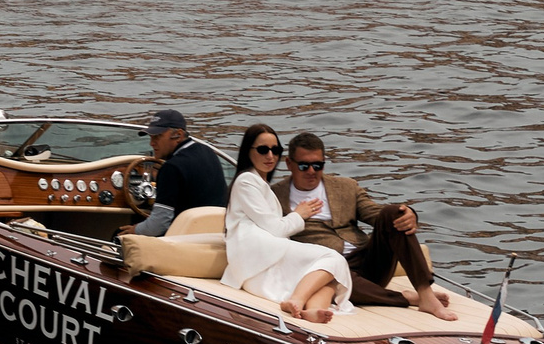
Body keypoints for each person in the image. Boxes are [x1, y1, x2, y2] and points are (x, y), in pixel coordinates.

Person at [275, 132, 453, 319]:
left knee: (394, 213)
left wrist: (409, 214)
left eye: (318, 165)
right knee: (336, 276)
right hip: (323, 267)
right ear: (289, 164)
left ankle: (425, 295)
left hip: (366, 260)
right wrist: (296, 217)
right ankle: (406, 298)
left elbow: (376, 215)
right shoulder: (276, 197)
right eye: (304, 166)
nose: (311, 171)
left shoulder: (346, 187)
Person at [224, 125, 352, 324]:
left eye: (275, 150)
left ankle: (314, 309)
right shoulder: (246, 181)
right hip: (255, 253)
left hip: (264, 249)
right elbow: (276, 229)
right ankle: (296, 300)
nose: (270, 156)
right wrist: (300, 214)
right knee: (333, 258)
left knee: (331, 276)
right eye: (262, 150)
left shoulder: (259, 182)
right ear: (248, 151)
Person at [130, 108, 230, 237]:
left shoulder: (172, 168)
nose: (151, 143)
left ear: (178, 135)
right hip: (214, 234)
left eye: (157, 137)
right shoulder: (208, 152)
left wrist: (134, 230)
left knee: (121, 234)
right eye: (151, 137)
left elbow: (158, 225)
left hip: (182, 241)